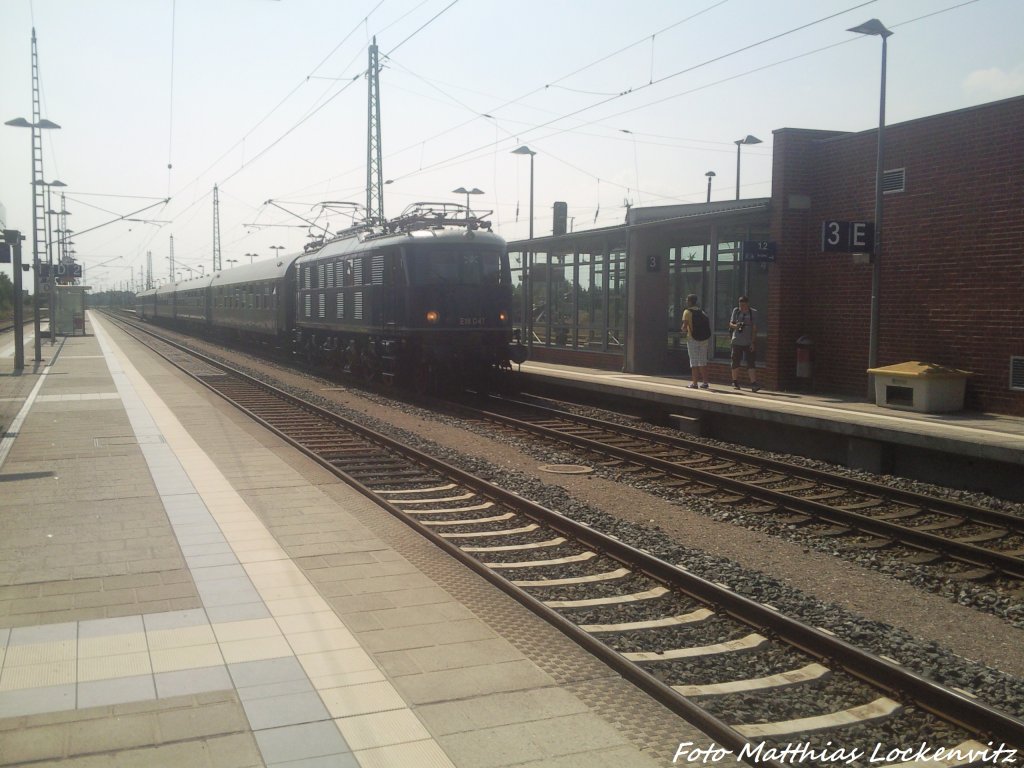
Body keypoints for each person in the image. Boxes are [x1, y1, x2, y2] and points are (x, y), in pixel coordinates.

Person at [729, 296, 761, 392]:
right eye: (740, 305)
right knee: (735, 361)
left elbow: (754, 329)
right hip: (737, 341)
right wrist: (736, 326)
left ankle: (753, 383)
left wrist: (752, 342)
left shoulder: (753, 313)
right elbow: (730, 324)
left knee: (751, 362)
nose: (741, 307)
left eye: (743, 305)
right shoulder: (736, 311)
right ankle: (735, 381)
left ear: (747, 304)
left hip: (748, 341)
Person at [681, 294, 711, 389]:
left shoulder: (687, 312)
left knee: (693, 361)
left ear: (689, 301)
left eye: (687, 300)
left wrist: (683, 330)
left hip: (692, 339)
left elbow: (684, 327)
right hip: (704, 339)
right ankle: (705, 383)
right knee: (703, 361)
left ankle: (694, 383)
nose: (686, 302)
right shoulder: (702, 312)